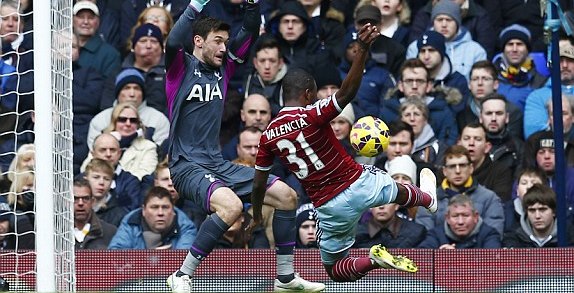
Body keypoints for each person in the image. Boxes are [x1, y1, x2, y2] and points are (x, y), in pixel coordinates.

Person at [251, 23, 438, 283]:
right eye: (314, 95)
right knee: (396, 189)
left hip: (328, 206)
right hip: (358, 182)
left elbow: (259, 183)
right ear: (308, 94)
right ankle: (427, 199)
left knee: (335, 269)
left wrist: (258, 213)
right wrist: (361, 49)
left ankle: (372, 260)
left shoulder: (267, 136)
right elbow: (347, 92)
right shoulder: (312, 113)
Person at [164, 1, 325, 292]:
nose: (225, 48)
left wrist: (252, 5)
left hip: (216, 163)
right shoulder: (179, 68)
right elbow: (174, 39)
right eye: (218, 42)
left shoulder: (224, 67)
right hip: (186, 164)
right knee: (231, 206)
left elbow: (249, 30)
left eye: (226, 42)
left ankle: (285, 278)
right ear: (198, 42)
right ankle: (182, 274)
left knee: (287, 197)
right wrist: (196, 5)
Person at [415, 145, 504, 236]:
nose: (457, 171)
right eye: (452, 166)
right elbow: (424, 235)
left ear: (471, 168)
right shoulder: (429, 200)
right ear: (444, 171)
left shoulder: (489, 198)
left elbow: (493, 235)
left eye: (462, 165)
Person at [354, 155, 427, 248]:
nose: (381, 206)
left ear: (396, 205)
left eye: (386, 201)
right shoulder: (355, 235)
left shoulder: (416, 232)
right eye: (376, 202)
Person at [82, 102, 159, 180]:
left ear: (138, 124)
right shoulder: (101, 142)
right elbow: (85, 170)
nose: (128, 124)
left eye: (133, 120)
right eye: (122, 119)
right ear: (114, 122)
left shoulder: (148, 147)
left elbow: (145, 175)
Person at [108, 186, 198, 249]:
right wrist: (149, 258)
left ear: (173, 210)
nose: (160, 213)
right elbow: (115, 257)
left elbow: (186, 263)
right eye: (154, 207)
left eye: (165, 207)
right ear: (143, 210)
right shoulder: (131, 222)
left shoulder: (186, 227)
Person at [493, 24, 547, 112]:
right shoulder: (491, 77)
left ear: (527, 49)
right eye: (510, 44)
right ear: (503, 49)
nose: (514, 49)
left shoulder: (539, 81)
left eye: (519, 44)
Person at [418, 194, 501, 249]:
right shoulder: (435, 235)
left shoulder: (489, 234)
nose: (460, 222)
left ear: (475, 216)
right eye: (455, 216)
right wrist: (439, 257)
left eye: (465, 215)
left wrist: (457, 258)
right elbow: (420, 258)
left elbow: (493, 263)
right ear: (447, 218)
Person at [503, 184, 574, 247]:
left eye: (542, 209)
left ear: (554, 212)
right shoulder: (514, 238)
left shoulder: (570, 236)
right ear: (526, 213)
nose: (537, 216)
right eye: (532, 210)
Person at [457, 122, 513, 202]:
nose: (471, 143)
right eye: (466, 138)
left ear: (487, 147)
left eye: (477, 139)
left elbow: (499, 204)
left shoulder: (500, 172)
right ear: (459, 144)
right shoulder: (449, 170)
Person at [73, 0, 121, 78]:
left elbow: (109, 87)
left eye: (90, 18)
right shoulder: (62, 47)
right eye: (81, 17)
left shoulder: (110, 55)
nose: (85, 22)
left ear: (98, 22)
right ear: (72, 20)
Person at [73, 177, 117, 249]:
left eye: (85, 199)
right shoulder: (55, 233)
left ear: (92, 201)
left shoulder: (110, 232)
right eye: (75, 199)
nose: (80, 203)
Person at [84, 158, 129, 227]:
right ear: (86, 179)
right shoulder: (75, 207)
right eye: (96, 177)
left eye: (106, 179)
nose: (101, 182)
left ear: (111, 182)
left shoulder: (121, 215)